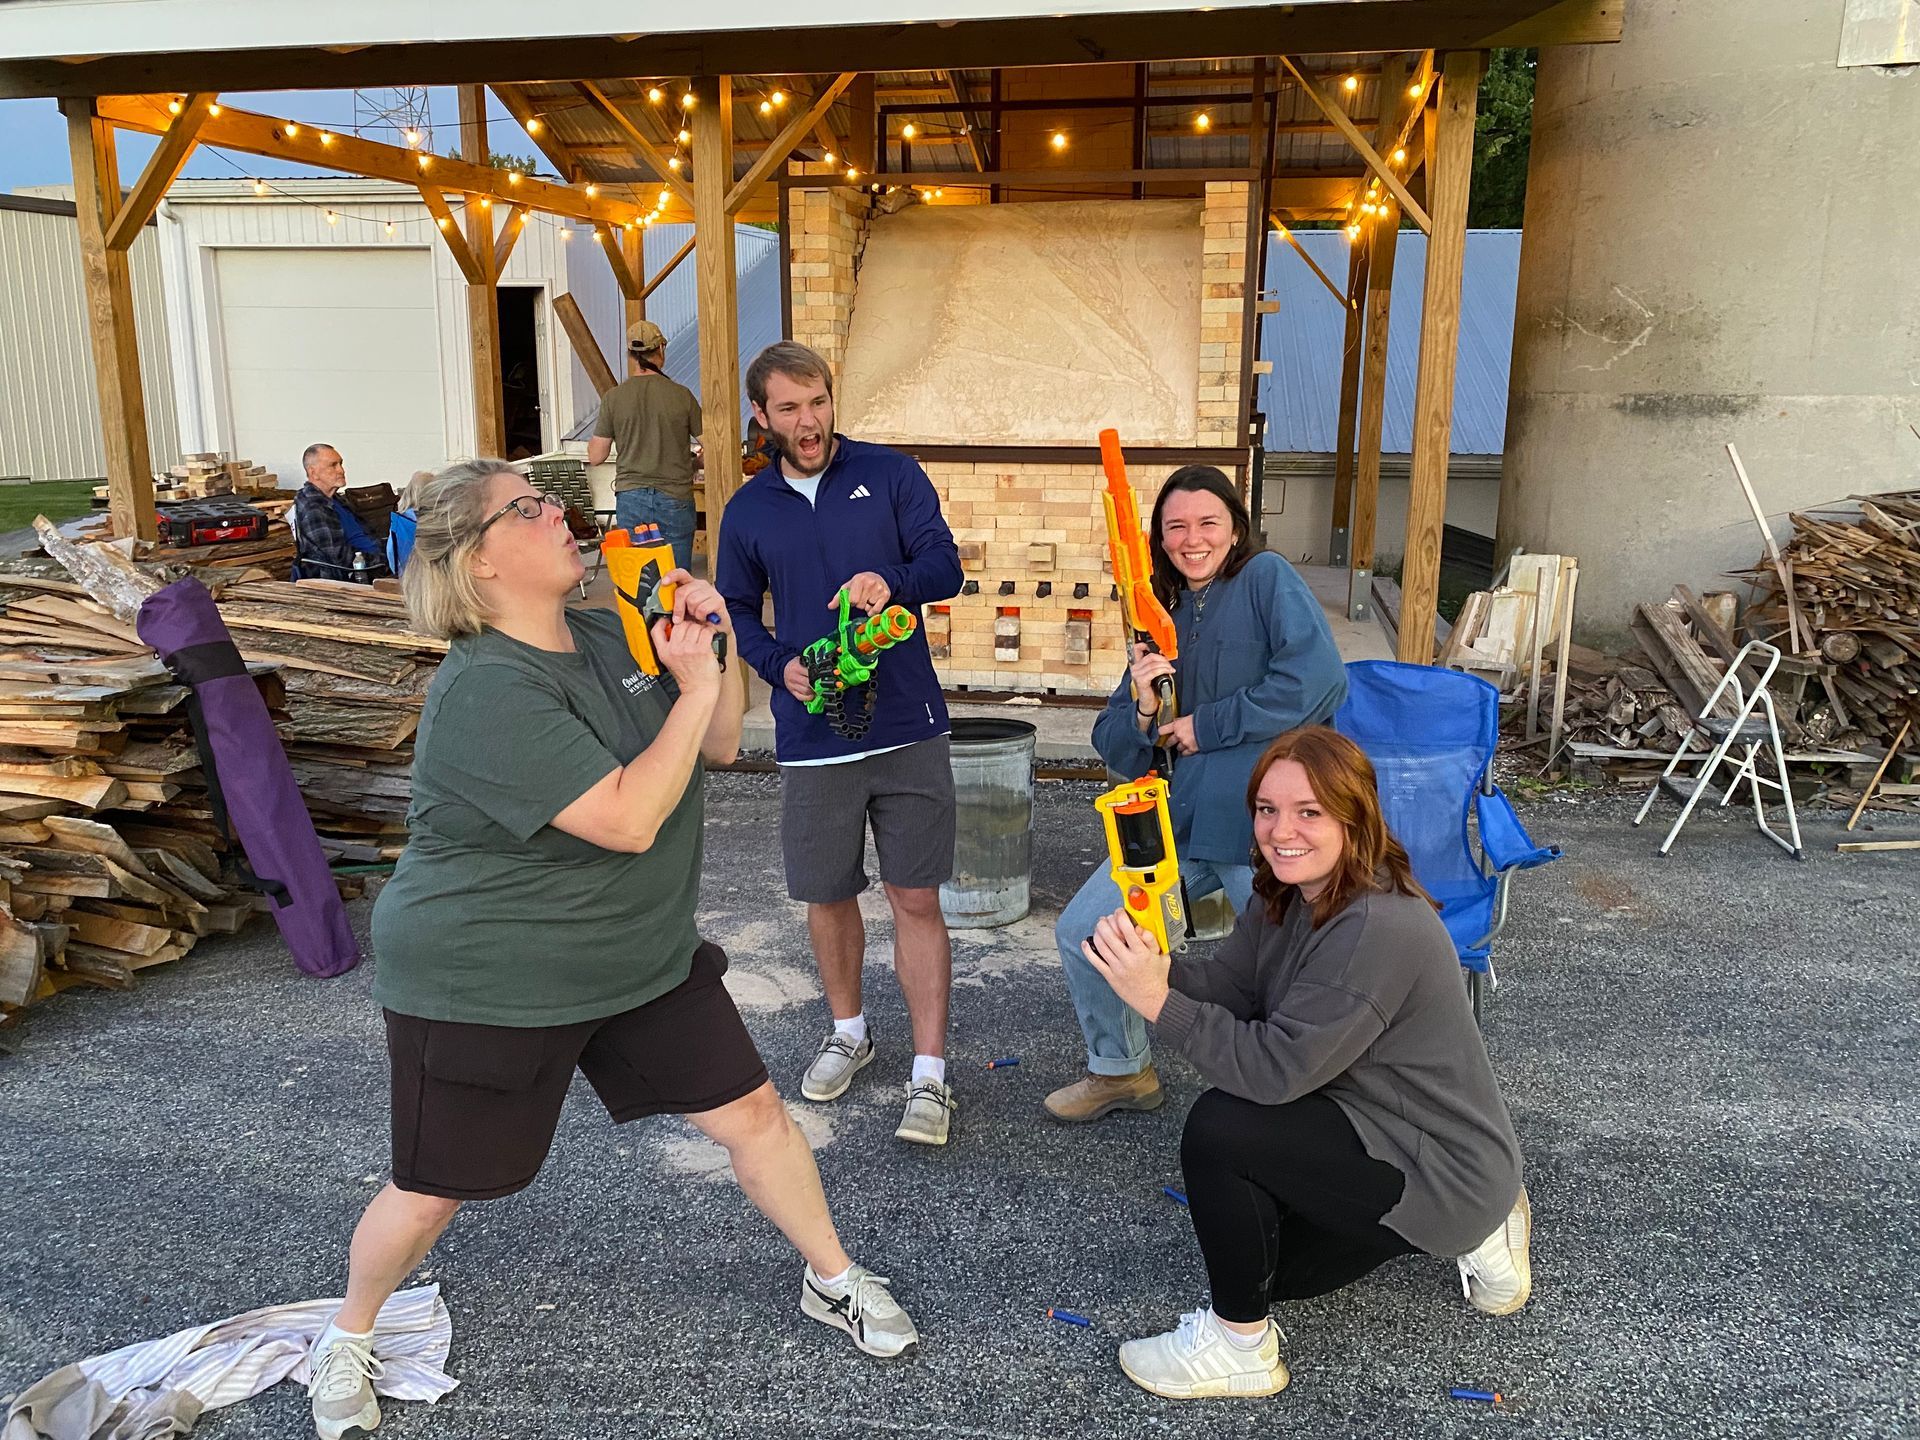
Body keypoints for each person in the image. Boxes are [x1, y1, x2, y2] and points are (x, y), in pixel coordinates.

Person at [307, 460, 920, 1440]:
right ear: (481, 560)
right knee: (432, 1191)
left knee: (756, 1116)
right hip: (487, 977)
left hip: (634, 955)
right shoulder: (484, 690)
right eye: (530, 505)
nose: (562, 511)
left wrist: (709, 647)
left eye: (553, 497)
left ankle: (834, 1278)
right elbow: (631, 816)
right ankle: (347, 1333)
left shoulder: (604, 632)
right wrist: (684, 692)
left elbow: (716, 743)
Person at [1079, 726, 1533, 1401]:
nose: (1279, 829)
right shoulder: (1287, 892)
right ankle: (1482, 1214)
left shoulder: (1379, 927)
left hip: (1442, 1166)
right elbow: (1235, 991)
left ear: (1355, 818)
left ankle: (1240, 1349)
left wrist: (1154, 1002)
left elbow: (1272, 1073)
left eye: (1308, 812)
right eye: (1267, 809)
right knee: (1276, 1272)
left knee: (1221, 1127)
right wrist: (1159, 970)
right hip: (1372, 1122)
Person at [716, 340, 965, 1148]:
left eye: (817, 401)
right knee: (827, 895)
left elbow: (945, 566)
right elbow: (735, 612)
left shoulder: (892, 474)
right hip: (813, 732)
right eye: (788, 408)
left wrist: (891, 579)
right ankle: (850, 1033)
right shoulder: (748, 509)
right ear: (763, 417)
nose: (808, 420)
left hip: (907, 723)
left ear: (831, 397)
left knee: (916, 898)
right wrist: (778, 667)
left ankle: (930, 1076)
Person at [1045, 465, 1346, 1123]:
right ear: (1159, 539)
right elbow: (1115, 744)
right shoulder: (1155, 613)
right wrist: (1146, 711)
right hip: (1168, 832)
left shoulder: (1265, 580)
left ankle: (1310, 1094)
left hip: (1259, 832)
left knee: (1288, 966)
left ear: (1235, 527)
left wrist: (1206, 725)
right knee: (1087, 932)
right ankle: (1122, 1071)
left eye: (1208, 521)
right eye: (1176, 526)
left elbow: (1318, 679)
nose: (1192, 538)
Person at [586, 320, 703, 572]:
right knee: (676, 580)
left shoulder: (614, 398)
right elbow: (712, 445)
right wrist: (697, 461)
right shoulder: (681, 395)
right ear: (661, 349)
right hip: (675, 497)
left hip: (631, 497)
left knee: (639, 580)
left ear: (631, 355)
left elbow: (596, 456)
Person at [294, 443, 389, 581]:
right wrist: (386, 560)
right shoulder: (313, 507)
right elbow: (340, 558)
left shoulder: (336, 499)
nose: (341, 470)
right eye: (333, 465)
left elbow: (368, 534)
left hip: (377, 562)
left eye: (341, 464)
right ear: (313, 473)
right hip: (360, 576)